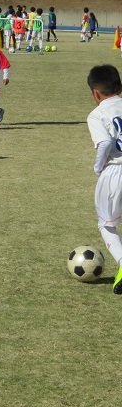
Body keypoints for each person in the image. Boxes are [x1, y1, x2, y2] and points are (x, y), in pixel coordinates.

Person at [85, 64, 122, 293]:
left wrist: (98, 168)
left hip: (115, 170)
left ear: (96, 93)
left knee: (107, 225)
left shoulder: (98, 114)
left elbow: (106, 143)